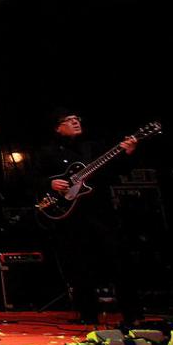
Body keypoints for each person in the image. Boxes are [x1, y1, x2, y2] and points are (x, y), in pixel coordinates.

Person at [33, 108, 141, 326]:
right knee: (79, 263)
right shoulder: (48, 153)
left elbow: (117, 171)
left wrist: (128, 153)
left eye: (77, 119)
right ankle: (88, 313)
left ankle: (132, 313)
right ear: (58, 128)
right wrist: (49, 183)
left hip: (100, 210)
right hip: (72, 215)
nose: (75, 122)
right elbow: (32, 179)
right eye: (69, 120)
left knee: (118, 258)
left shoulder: (94, 148)